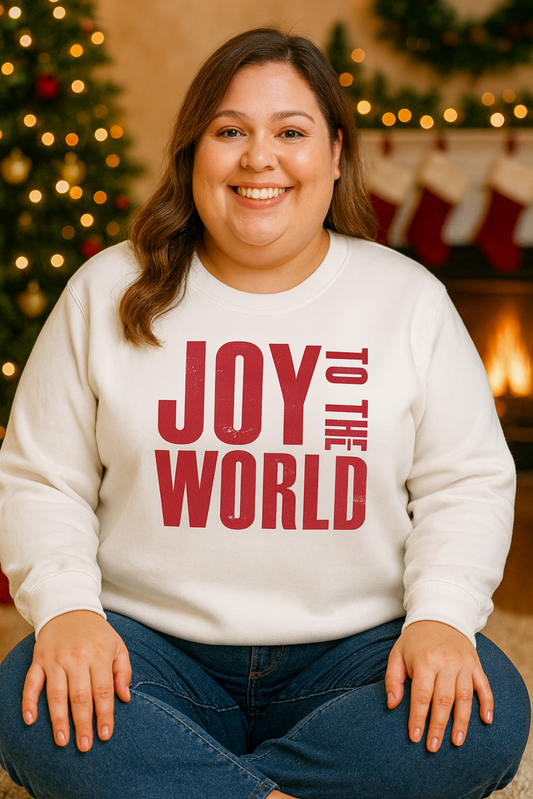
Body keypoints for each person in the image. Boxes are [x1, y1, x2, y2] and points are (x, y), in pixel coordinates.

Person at [0, 26, 529, 799]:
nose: (259, 158)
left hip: (356, 657)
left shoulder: (407, 299)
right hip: (147, 651)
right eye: (229, 131)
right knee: (31, 699)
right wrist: (68, 612)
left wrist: (442, 618)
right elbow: (43, 476)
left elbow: (466, 481)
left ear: (336, 154)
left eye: (290, 131)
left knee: (489, 707)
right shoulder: (105, 290)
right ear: (192, 152)